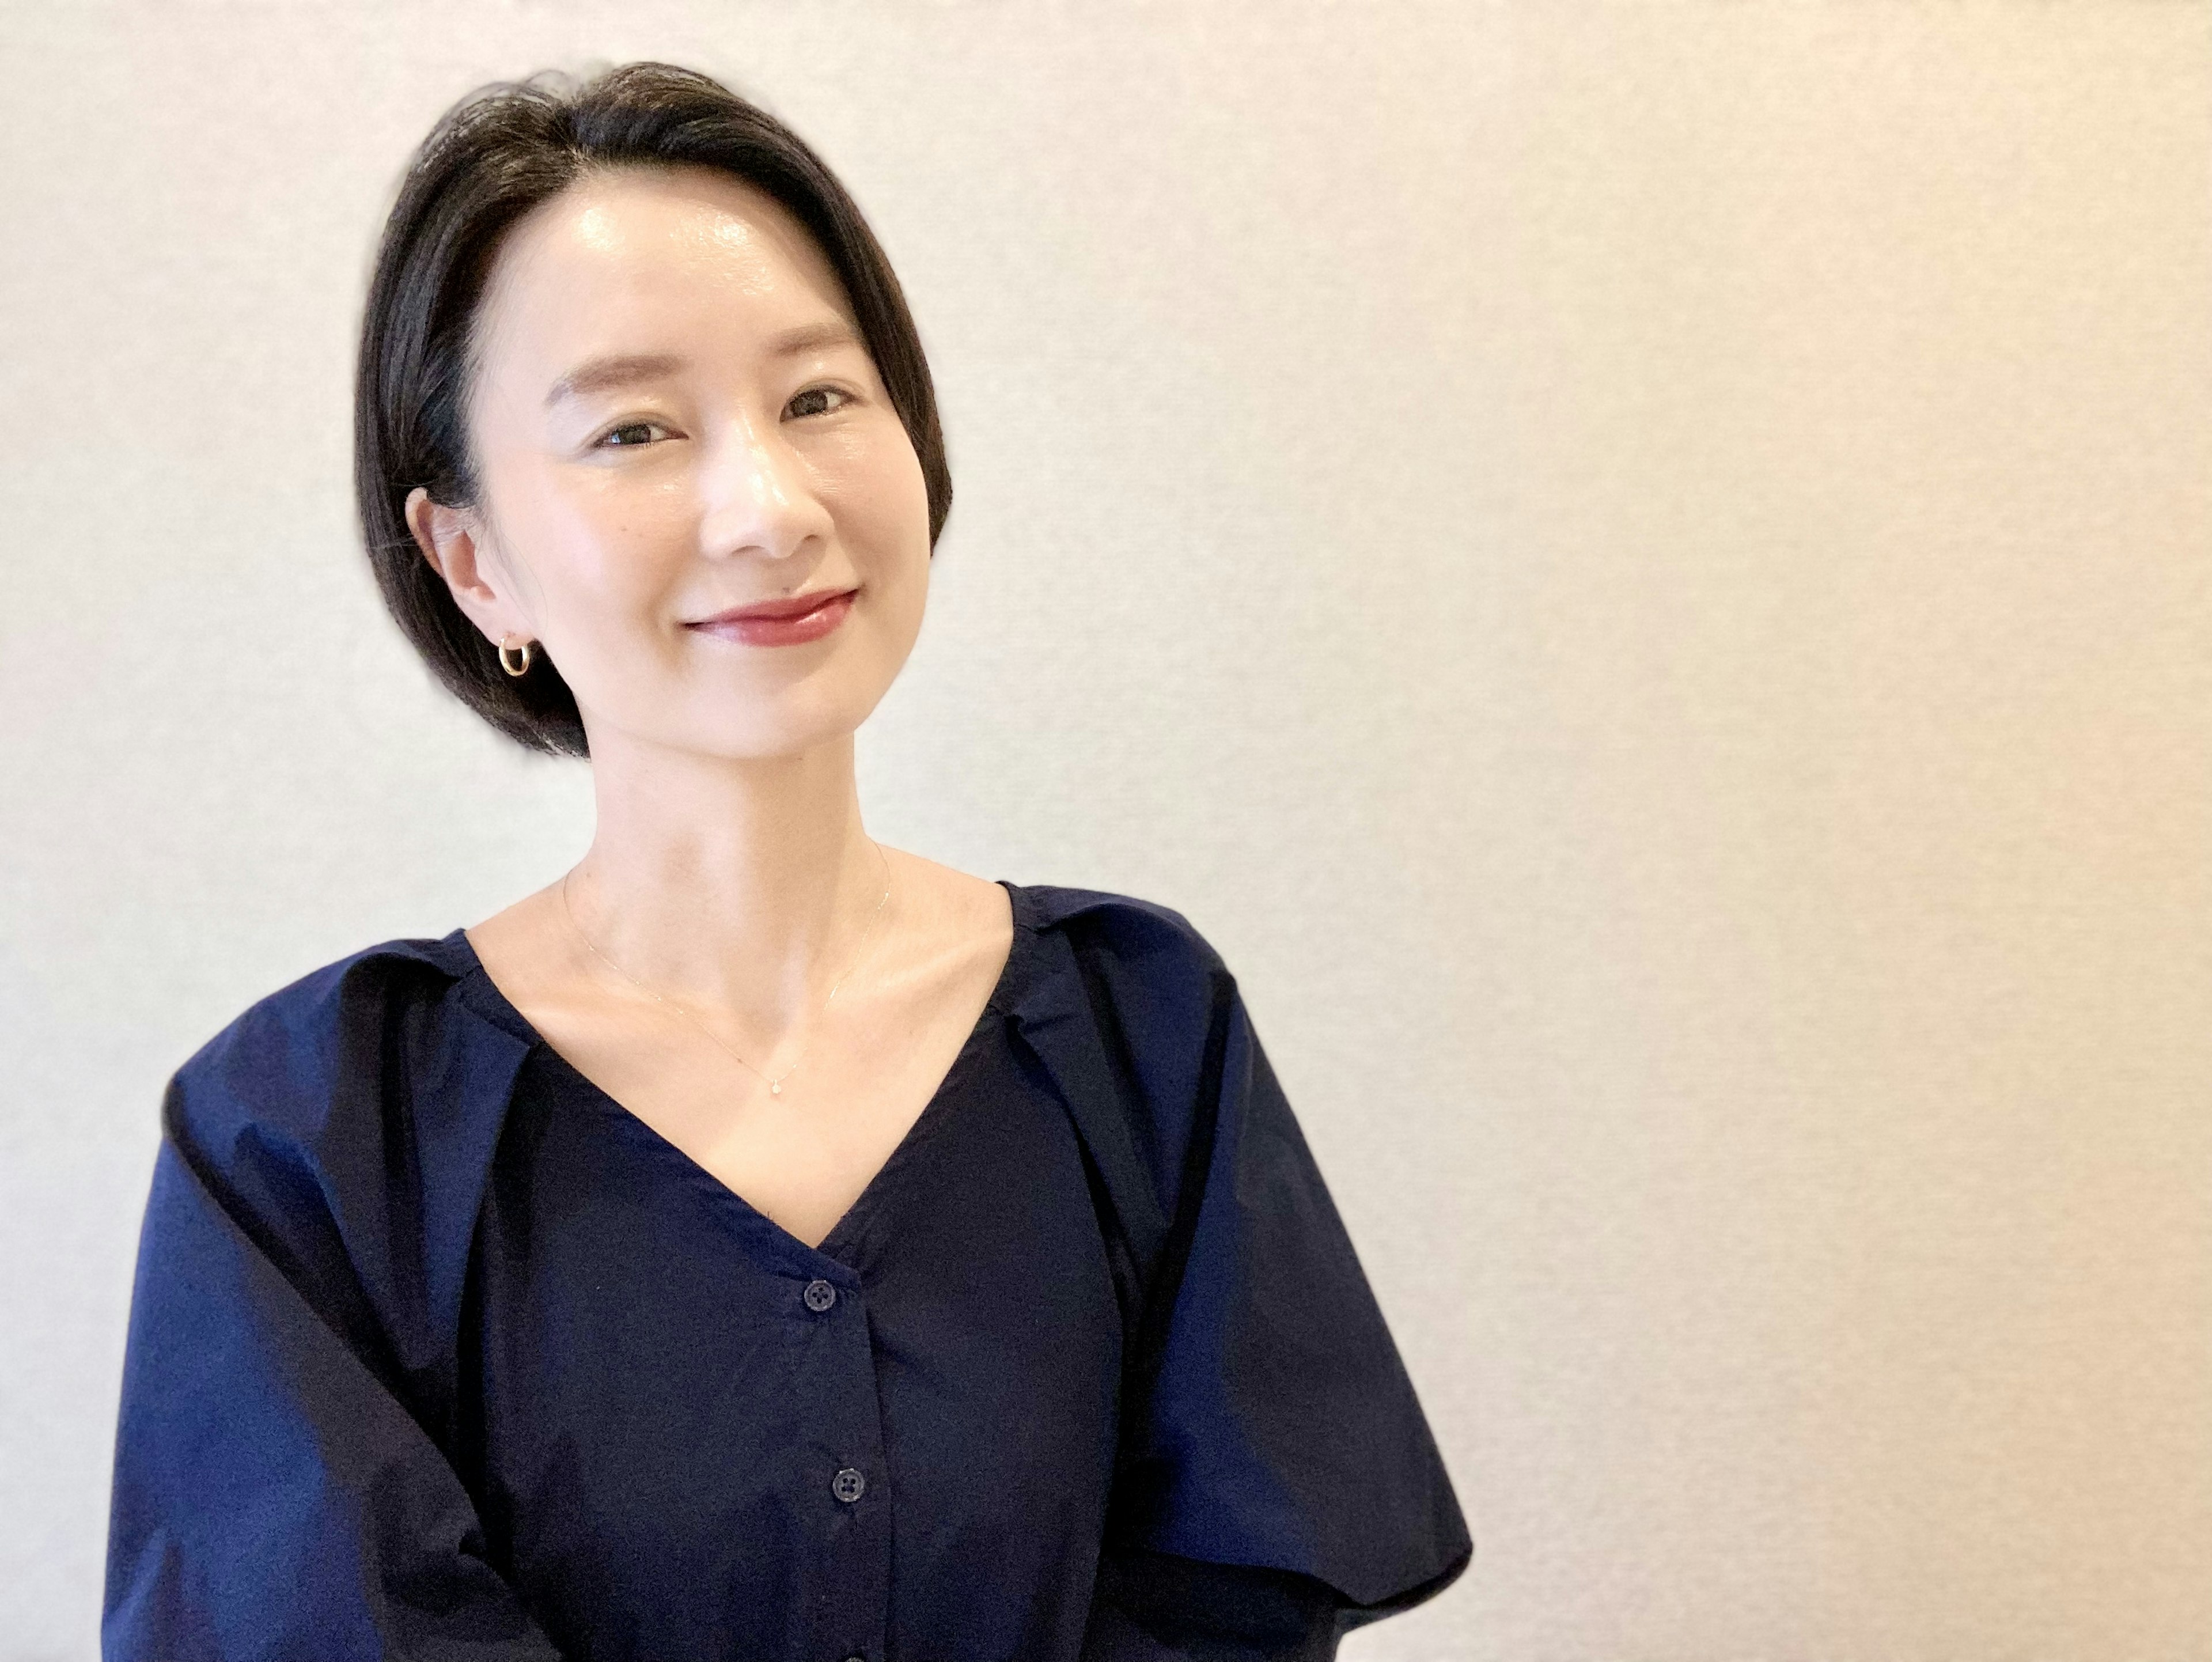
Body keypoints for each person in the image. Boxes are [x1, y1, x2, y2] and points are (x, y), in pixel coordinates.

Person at [101, 60, 1472, 1662]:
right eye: (632, 430)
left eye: (820, 397)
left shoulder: (1140, 1036)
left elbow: (1235, 1604)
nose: (767, 504)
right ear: (473, 561)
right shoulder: (311, 1139)